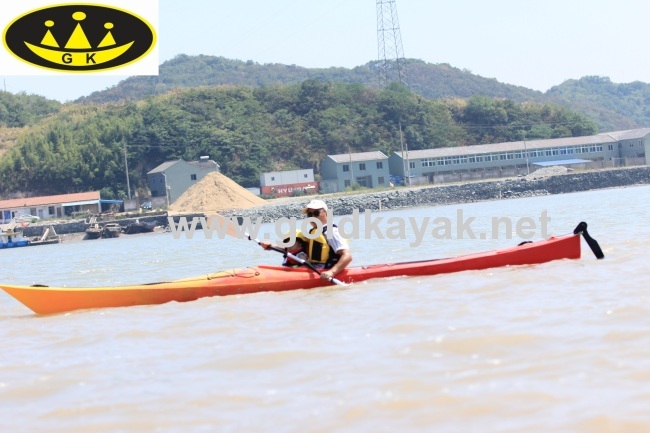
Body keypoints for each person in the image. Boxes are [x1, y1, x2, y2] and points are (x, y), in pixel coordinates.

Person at [262, 199, 352, 281]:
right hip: (311, 268)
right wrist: (271, 246)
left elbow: (347, 256)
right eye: (309, 215)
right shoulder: (315, 232)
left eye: (316, 213)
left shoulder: (331, 231)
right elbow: (295, 249)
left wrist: (331, 272)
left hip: (324, 271)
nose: (312, 217)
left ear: (326, 213)